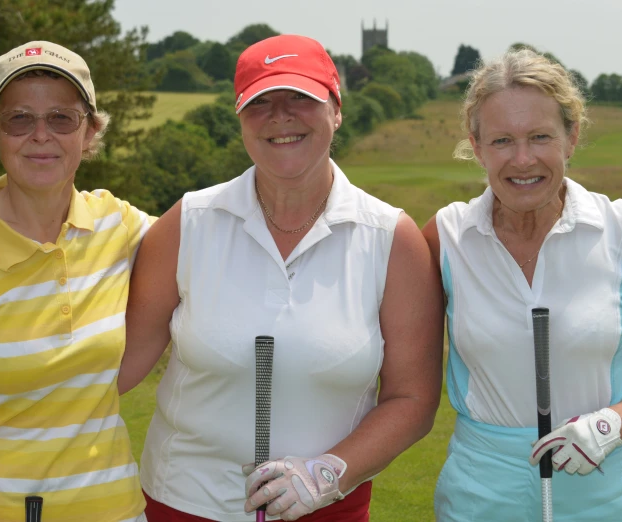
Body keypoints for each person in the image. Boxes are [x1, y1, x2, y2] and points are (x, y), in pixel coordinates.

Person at [119, 34, 444, 522]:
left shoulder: (390, 238)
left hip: (328, 507)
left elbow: (413, 399)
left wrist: (329, 472)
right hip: (183, 504)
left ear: (336, 110)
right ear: (240, 119)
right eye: (261, 103)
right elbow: (120, 364)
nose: (280, 116)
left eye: (300, 98)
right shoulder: (189, 222)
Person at [0, 41, 151, 522]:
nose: (41, 136)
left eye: (62, 118)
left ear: (91, 131)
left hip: (114, 509)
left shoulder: (116, 223)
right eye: (19, 119)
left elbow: (209, 237)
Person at [423, 49, 622, 521]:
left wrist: (612, 424)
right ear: (476, 147)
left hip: (611, 498)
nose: (523, 159)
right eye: (502, 140)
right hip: (482, 498)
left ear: (571, 137)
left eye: (540, 136)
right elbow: (404, 384)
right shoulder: (444, 237)